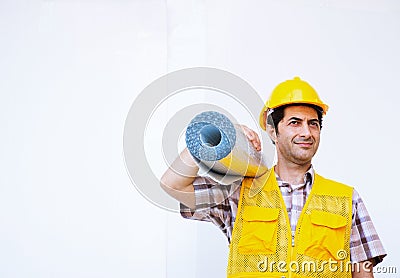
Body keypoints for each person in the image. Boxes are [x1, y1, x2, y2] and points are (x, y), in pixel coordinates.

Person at [160, 77, 386, 277]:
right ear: (272, 131)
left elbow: (363, 275)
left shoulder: (346, 199)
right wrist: (209, 138)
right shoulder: (239, 194)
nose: (306, 132)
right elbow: (173, 184)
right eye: (295, 122)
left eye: (313, 124)